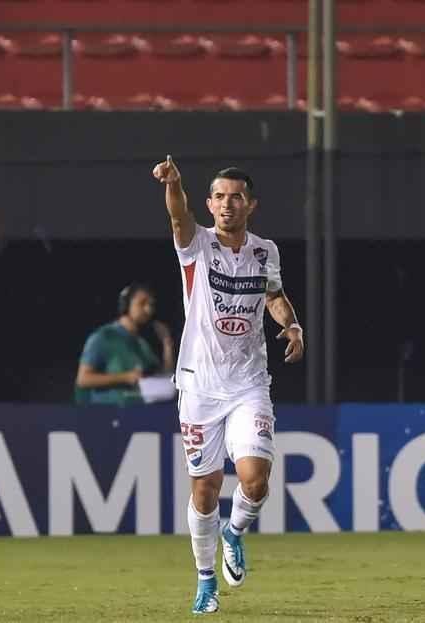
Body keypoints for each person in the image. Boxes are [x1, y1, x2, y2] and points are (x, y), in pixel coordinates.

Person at [152, 156, 303, 614]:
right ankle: (204, 580)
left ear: (250, 205)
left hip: (248, 383)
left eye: (235, 197)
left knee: (255, 481)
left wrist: (292, 326)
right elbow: (177, 214)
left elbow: (273, 295)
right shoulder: (196, 245)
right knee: (205, 487)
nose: (226, 204)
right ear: (210, 203)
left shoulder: (265, 251)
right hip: (199, 385)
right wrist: (173, 183)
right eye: (219, 196)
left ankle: (234, 533)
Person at [74, 283, 176, 406]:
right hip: (107, 413)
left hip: (139, 413)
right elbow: (83, 379)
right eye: (142, 303)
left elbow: (165, 378)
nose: (148, 310)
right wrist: (125, 377)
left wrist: (167, 343)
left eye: (151, 305)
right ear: (126, 305)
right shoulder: (104, 336)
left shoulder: (142, 342)